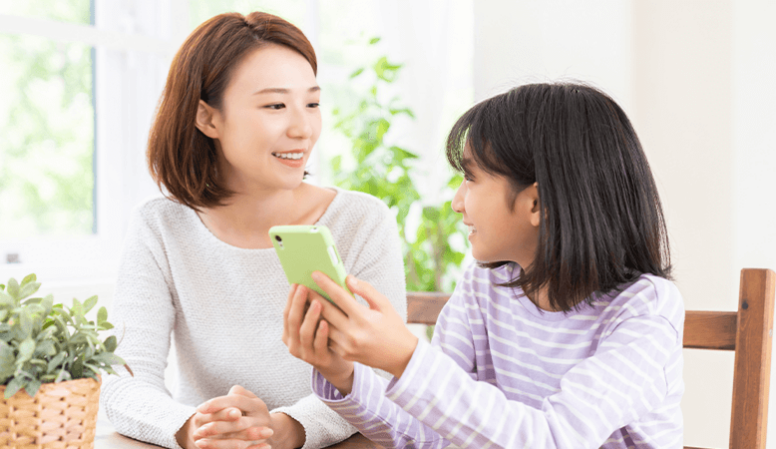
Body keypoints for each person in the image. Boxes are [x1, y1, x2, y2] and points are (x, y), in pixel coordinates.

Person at [283, 83, 684, 448]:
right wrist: (343, 374)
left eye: (470, 179)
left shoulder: (645, 310)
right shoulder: (484, 286)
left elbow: (556, 439)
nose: (458, 202)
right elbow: (427, 432)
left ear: (536, 204)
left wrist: (405, 358)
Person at [100, 11, 406, 449]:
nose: (303, 128)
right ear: (208, 119)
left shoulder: (360, 222)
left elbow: (378, 378)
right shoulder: (160, 226)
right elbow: (123, 378)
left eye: (313, 103)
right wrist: (196, 429)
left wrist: (282, 430)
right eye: (275, 105)